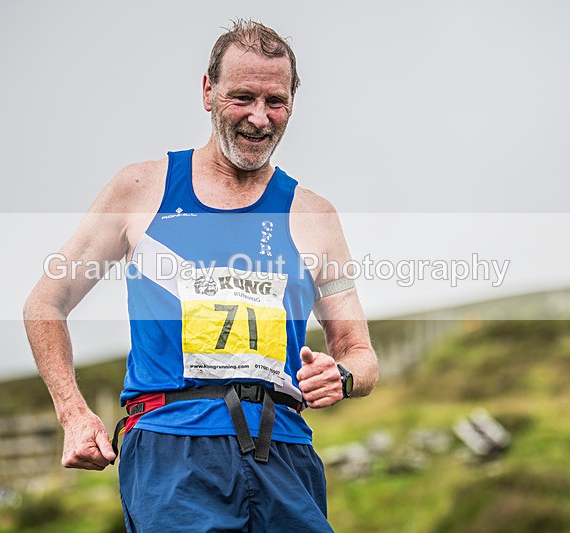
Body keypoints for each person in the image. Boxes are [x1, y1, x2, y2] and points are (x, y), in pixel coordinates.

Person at [24, 19, 378, 532]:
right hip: (173, 449)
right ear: (208, 91)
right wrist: (73, 413)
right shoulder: (142, 189)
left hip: (286, 452)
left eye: (275, 101)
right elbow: (45, 303)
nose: (259, 118)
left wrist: (342, 376)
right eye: (242, 97)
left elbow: (361, 353)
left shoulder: (314, 215)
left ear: (293, 102)